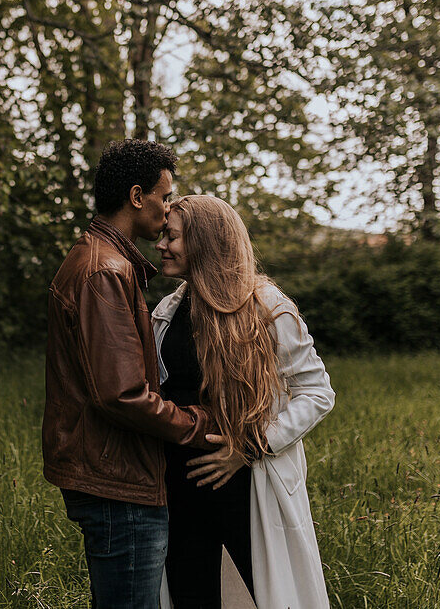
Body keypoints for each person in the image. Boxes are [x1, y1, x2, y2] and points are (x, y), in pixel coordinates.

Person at [42, 140, 218, 609]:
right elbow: (122, 395)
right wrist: (203, 425)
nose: (167, 210)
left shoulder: (104, 261)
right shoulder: (104, 271)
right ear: (137, 196)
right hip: (119, 483)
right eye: (164, 197)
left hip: (115, 475)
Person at [153, 195, 335, 609]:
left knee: (267, 594)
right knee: (189, 594)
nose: (161, 245)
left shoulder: (267, 307)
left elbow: (317, 392)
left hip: (247, 481)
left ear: (205, 243)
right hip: (178, 486)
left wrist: (248, 449)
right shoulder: (167, 310)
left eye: (172, 236)